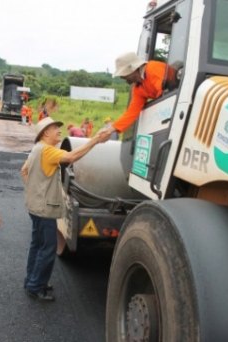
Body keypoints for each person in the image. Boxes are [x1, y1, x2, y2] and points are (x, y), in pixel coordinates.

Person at [21, 117, 102, 301]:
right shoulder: (48, 151)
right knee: (48, 248)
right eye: (55, 127)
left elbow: (23, 171)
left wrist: (35, 190)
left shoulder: (36, 149)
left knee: (37, 245)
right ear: (45, 133)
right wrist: (95, 140)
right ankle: (36, 287)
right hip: (45, 209)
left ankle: (32, 280)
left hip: (35, 207)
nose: (59, 130)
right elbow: (72, 157)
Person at [99, 52, 169, 141]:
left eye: (123, 75)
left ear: (132, 69)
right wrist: (110, 130)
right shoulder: (137, 88)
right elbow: (132, 112)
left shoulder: (153, 68)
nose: (122, 78)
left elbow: (164, 96)